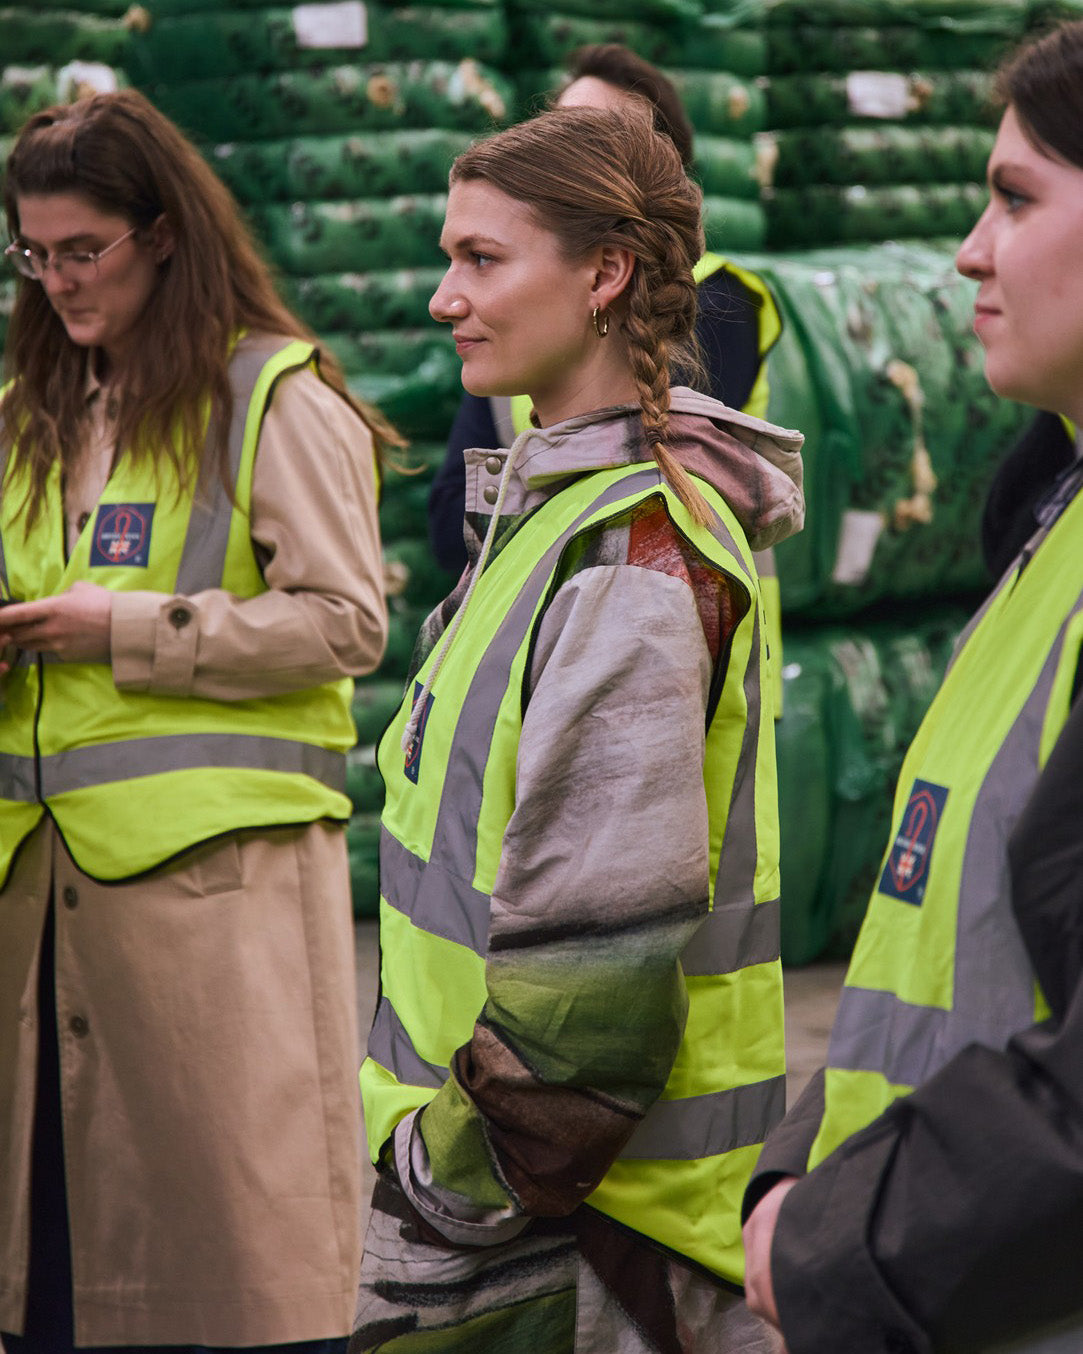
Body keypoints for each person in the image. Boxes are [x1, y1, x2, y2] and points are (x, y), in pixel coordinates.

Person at [350, 101, 804, 1354]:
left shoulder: (629, 560)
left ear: (604, 273)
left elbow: (588, 1006)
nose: (446, 296)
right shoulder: (555, 520)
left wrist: (441, 1180)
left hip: (574, 1249)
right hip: (520, 1224)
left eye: (482, 259)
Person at [0, 89, 394, 1353]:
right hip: (40, 910)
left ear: (161, 235)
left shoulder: (270, 400)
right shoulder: (29, 413)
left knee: (225, 1286)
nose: (56, 280)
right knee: (54, 1284)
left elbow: (345, 623)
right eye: (33, 252)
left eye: (81, 251)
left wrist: (120, 630)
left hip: (210, 923)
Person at [741, 20, 1083, 1354]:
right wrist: (804, 1166)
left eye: (1012, 198)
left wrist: (837, 1231)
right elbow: (929, 954)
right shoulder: (1043, 522)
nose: (965, 250)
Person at [426, 43, 780, 579]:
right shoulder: (514, 336)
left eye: (597, 139)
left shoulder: (723, 299)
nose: (559, 153)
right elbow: (451, 520)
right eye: (557, 130)